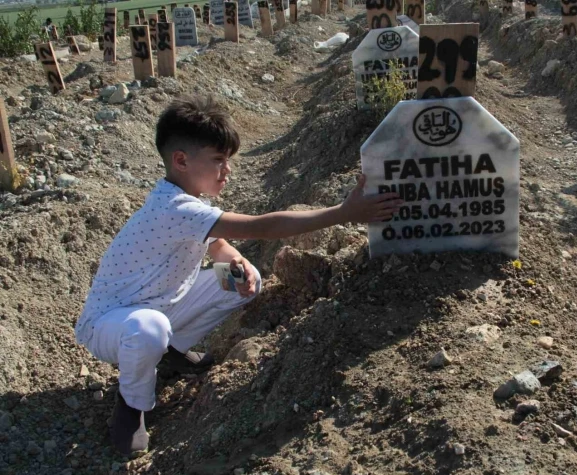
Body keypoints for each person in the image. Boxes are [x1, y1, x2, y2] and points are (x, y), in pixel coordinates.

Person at [74, 95, 402, 454]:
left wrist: (235, 261)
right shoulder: (174, 208)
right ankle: (132, 404)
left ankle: (170, 351)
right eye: (218, 160)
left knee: (242, 281)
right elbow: (263, 226)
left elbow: (217, 245)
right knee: (148, 328)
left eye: (227, 161)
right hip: (112, 324)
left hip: (157, 309)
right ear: (180, 160)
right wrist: (342, 212)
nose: (227, 171)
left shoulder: (192, 203)